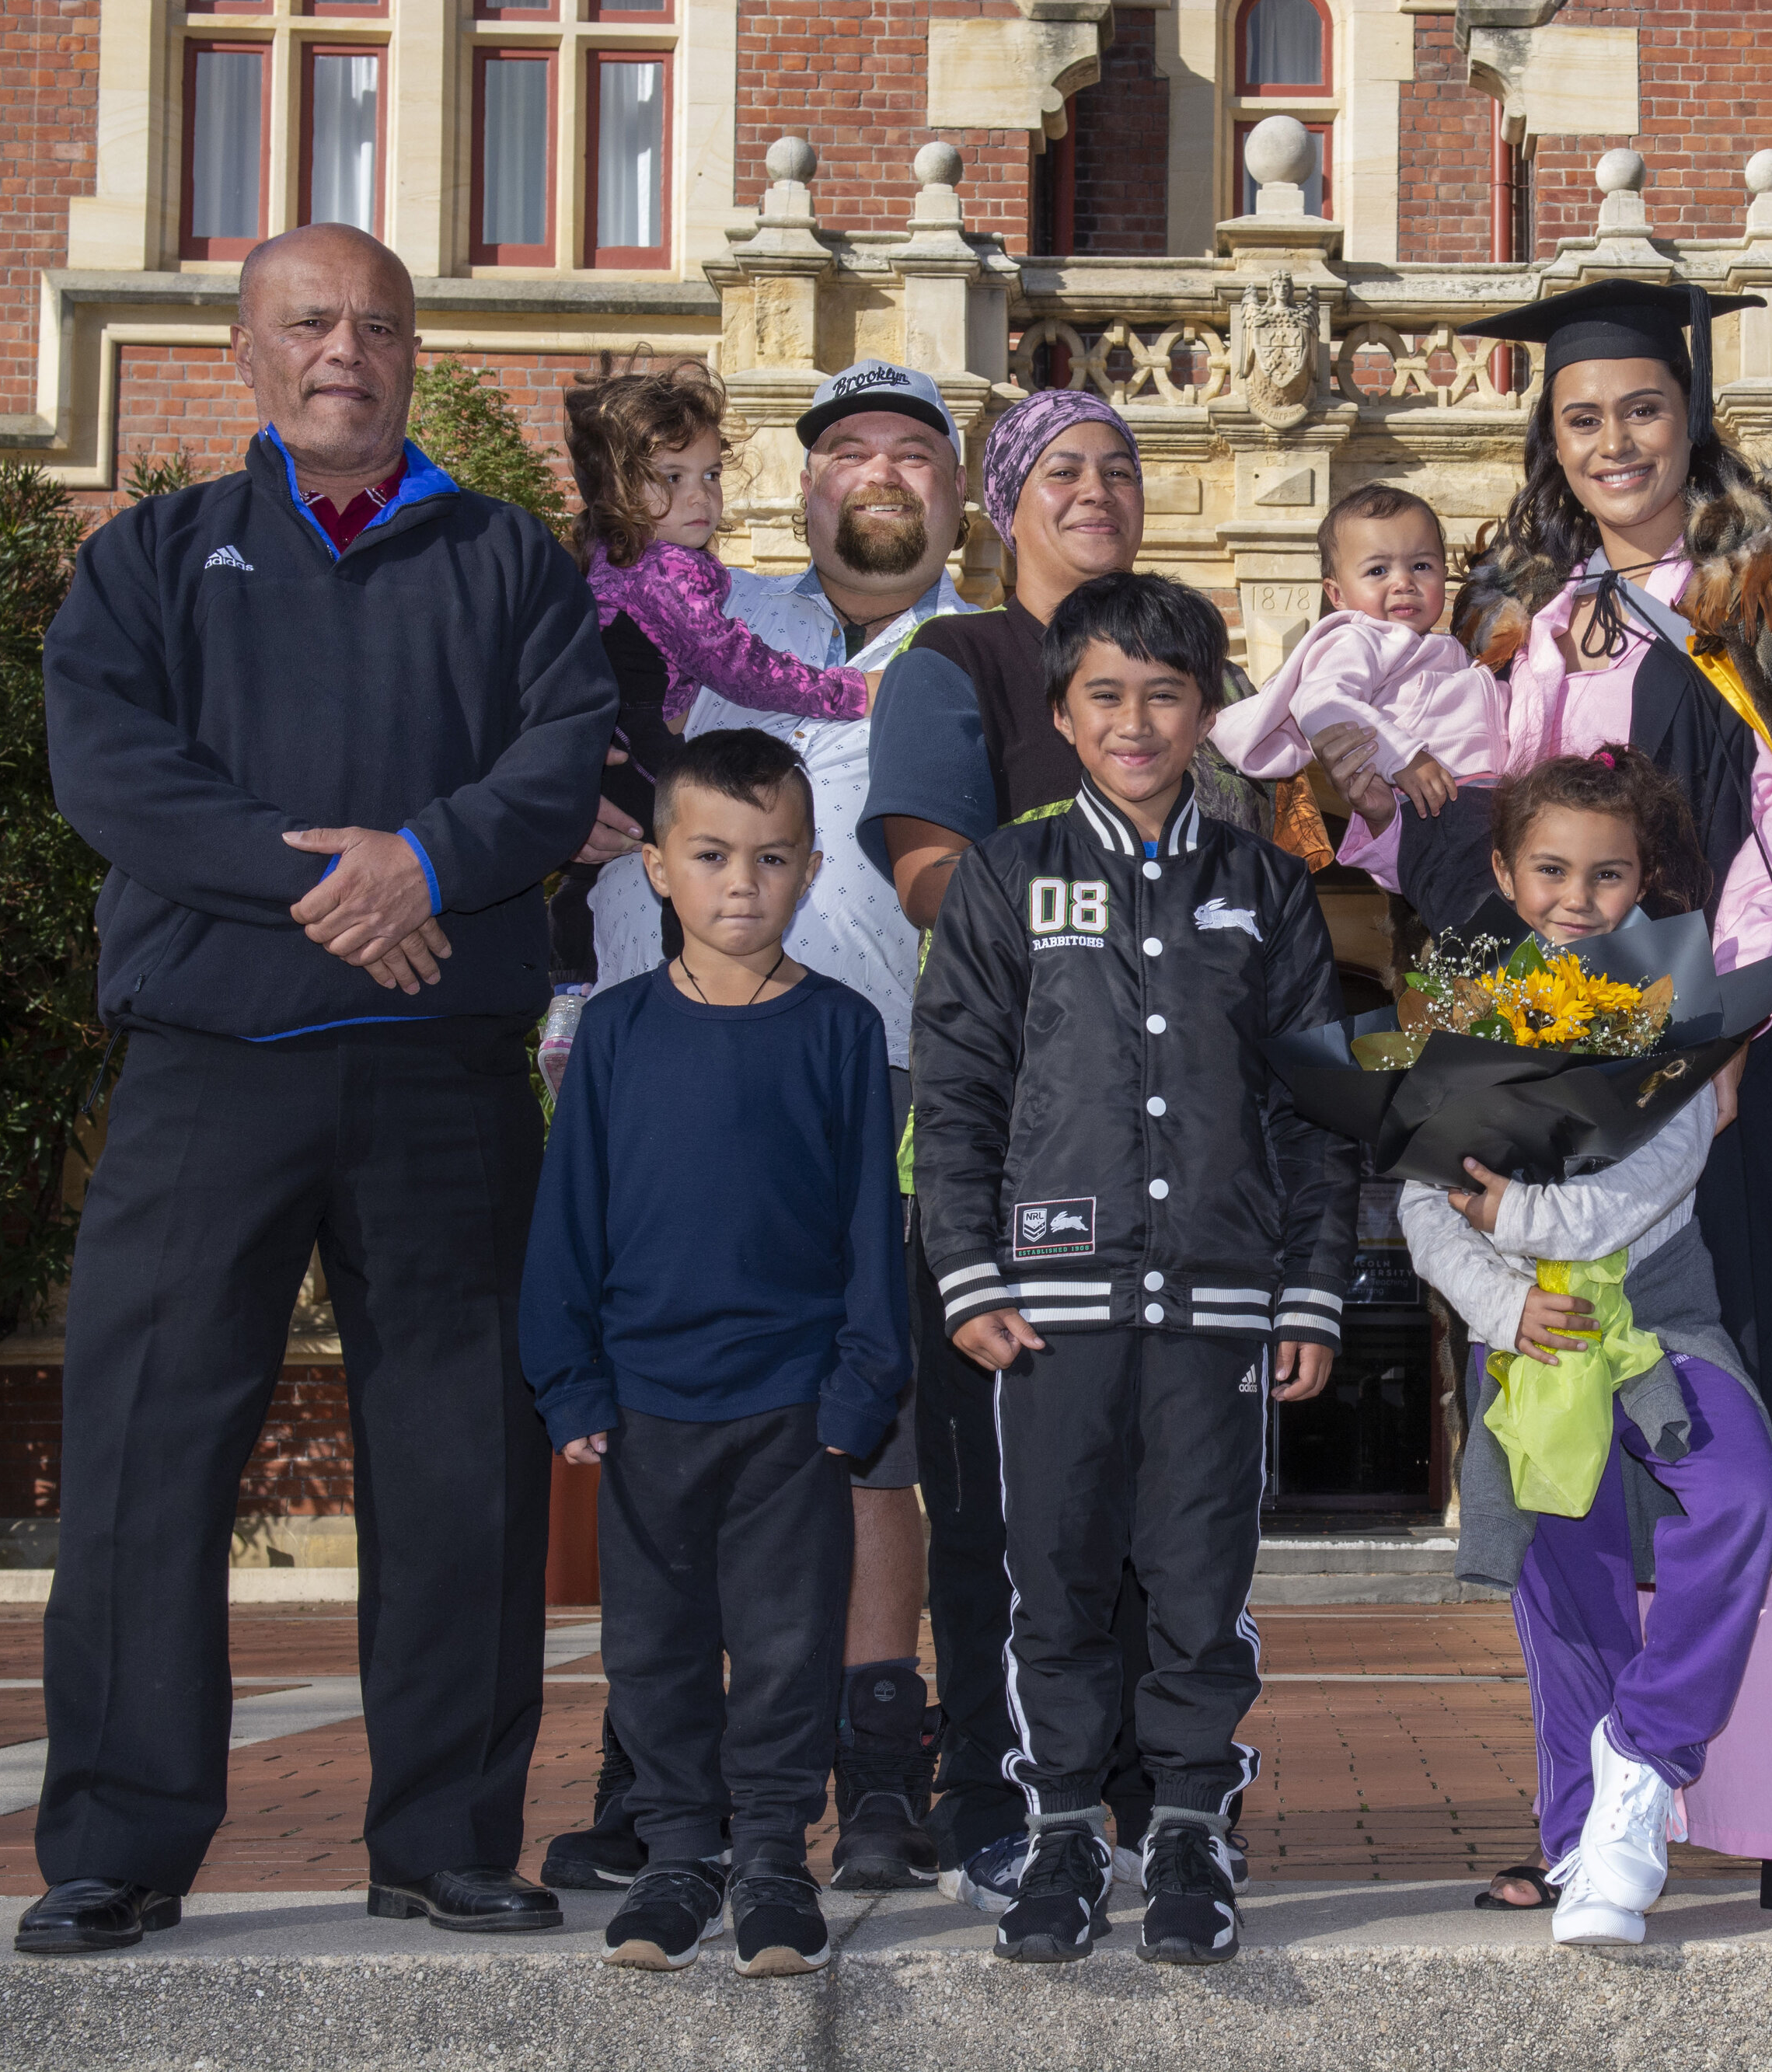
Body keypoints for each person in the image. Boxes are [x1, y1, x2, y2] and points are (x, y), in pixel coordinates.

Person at [1312, 279, 1772, 1924]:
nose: (1613, 442)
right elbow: (1479, 842)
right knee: (1566, 1463)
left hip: (1721, 1091)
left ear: (1690, 419)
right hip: (1554, 1093)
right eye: (1582, 417)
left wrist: (1709, 1035)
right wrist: (1381, 809)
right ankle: (1585, 1808)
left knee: (1771, 1451)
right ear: (1553, 435)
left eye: (1641, 411)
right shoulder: (1532, 620)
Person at [23, 222, 615, 1955]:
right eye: (307, 321)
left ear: (415, 352)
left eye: (375, 322)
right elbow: (116, 773)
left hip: (442, 1066)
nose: (342, 348)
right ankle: (118, 1845)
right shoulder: (151, 557)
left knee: (465, 1467)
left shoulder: (507, 559)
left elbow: (558, 756)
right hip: (211, 1067)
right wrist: (336, 886)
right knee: (145, 1451)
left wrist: (426, 860)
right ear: (245, 350)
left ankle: (443, 1839)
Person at [1404, 748, 1772, 1947]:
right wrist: (1501, 1306)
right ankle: (1581, 1846)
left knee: (1739, 1503)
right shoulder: (1464, 1017)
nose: (1575, 895)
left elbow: (1647, 1185)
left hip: (1662, 1326)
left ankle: (1644, 1753)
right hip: (1526, 1345)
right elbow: (1414, 1207)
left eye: (1605, 875)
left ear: (1640, 881)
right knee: (1570, 1589)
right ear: (1504, 873)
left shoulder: (1678, 1010)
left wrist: (1515, 1217)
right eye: (1549, 868)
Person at [556, 358, 968, 1897]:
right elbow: (538, 721)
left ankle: (872, 1765)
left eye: (911, 451)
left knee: (861, 1440)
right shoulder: (700, 619)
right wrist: (557, 795)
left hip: (892, 1089)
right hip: (664, 1077)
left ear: (953, 492)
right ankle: (655, 1770)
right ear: (792, 491)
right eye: (843, 447)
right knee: (670, 1440)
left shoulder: (985, 656)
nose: (876, 470)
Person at [911, 571, 1359, 1966]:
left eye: (1165, 693)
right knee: (1047, 1576)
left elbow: (1314, 1108)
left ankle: (1185, 1829)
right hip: (1049, 1309)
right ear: (1061, 711)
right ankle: (1055, 1834)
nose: (1135, 718)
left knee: (1194, 1579)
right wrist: (968, 1271)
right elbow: (960, 1085)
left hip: (1221, 1307)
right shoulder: (1002, 878)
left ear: (1207, 712)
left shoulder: (1268, 890)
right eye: (1104, 693)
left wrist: (1312, 1286)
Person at [856, 389, 1264, 1914]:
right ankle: (995, 1800)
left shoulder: (1179, 681)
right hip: (1016, 1165)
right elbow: (928, 878)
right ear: (1001, 503)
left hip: (1184, 1183)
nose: (1094, 489)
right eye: (1059, 470)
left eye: (1121, 468)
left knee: (1169, 1532)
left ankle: (1169, 1811)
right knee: (1001, 1525)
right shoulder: (956, 662)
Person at [521, 730, 909, 1978]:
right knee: (654, 1644)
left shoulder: (843, 1030)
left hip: (793, 1405)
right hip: (642, 1405)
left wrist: (858, 1385)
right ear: (655, 869)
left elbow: (870, 1225)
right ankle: (678, 1854)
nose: (742, 883)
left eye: (773, 857)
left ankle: (769, 1864)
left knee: (791, 1644)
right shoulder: (616, 1031)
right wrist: (568, 1373)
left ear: (805, 873)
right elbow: (568, 1211)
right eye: (711, 855)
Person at [538, 359, 878, 1090]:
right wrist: (849, 693)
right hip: (635, 738)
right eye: (671, 477)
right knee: (697, 849)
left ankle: (570, 1001)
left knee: (585, 877)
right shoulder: (666, 571)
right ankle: (690, 998)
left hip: (607, 735)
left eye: (712, 475)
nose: (702, 497)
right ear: (616, 489)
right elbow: (734, 663)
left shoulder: (616, 556)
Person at [1207, 481, 1499, 814]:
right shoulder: (1360, 640)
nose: (1404, 582)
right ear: (1337, 595)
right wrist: (1402, 757)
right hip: (1422, 798)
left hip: (1478, 799)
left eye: (1421, 566)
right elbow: (1319, 701)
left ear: (1444, 575)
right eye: (1377, 570)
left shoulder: (1450, 650)